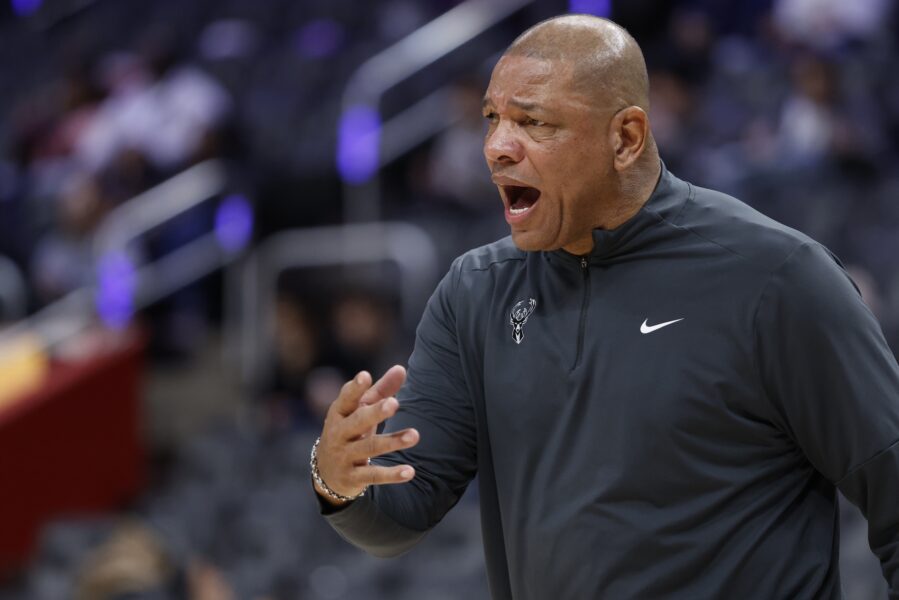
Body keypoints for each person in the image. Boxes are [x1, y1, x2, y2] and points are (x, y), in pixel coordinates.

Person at [310, 15, 899, 599]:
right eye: (492, 119)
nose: (495, 147)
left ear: (626, 138)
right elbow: (402, 511)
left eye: (532, 122)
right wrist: (340, 478)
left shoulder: (777, 280)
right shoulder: (475, 293)